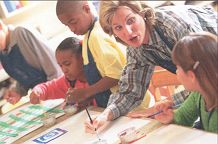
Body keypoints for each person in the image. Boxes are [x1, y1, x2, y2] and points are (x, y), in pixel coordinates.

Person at [84, 1, 217, 133]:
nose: (128, 32)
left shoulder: (173, 26)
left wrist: (165, 103)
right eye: (118, 28)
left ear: (142, 13)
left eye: (131, 20)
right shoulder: (136, 49)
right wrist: (105, 115)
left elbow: (204, 78)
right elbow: (131, 91)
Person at [56, 1, 126, 108]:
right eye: (67, 25)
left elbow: (116, 75)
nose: (72, 29)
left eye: (73, 22)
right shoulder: (88, 36)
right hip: (115, 106)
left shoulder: (97, 36)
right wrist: (89, 96)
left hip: (130, 107)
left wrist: (86, 92)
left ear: (86, 9)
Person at [154, 32, 218, 133]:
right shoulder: (199, 93)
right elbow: (184, 116)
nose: (176, 72)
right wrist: (172, 117)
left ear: (192, 76)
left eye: (178, 68)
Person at [0, 19, 62, 105]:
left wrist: (47, 94)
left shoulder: (21, 33)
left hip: (57, 94)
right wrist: (18, 91)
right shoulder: (2, 51)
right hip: (43, 98)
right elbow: (27, 76)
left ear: (0, 26)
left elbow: (56, 70)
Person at [29, 37, 94, 107]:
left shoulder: (98, 76)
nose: (64, 70)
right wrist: (38, 91)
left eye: (67, 64)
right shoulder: (69, 81)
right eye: (60, 66)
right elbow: (48, 88)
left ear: (83, 58)